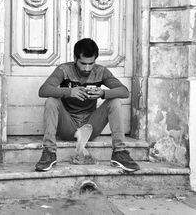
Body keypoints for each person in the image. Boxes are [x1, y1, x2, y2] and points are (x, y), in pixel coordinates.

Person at [35, 38, 140, 172]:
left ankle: (119, 152)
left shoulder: (101, 71)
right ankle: (49, 152)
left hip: (90, 126)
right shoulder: (64, 69)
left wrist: (102, 93)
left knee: (115, 101)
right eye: (83, 63)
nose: (87, 68)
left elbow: (124, 91)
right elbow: (43, 90)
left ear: (95, 60)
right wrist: (69, 92)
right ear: (75, 58)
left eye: (91, 64)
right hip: (68, 126)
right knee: (51, 100)